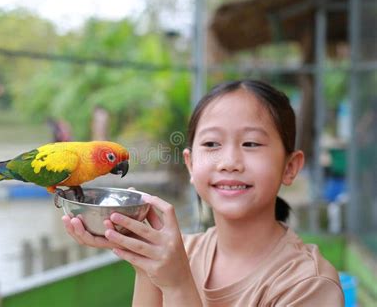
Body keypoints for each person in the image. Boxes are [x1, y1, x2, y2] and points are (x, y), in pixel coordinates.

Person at [62, 80, 344, 306]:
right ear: (191, 165)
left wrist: (177, 284)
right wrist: (145, 265)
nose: (229, 162)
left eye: (251, 143)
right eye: (211, 144)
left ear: (290, 167)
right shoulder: (180, 253)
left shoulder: (308, 285)